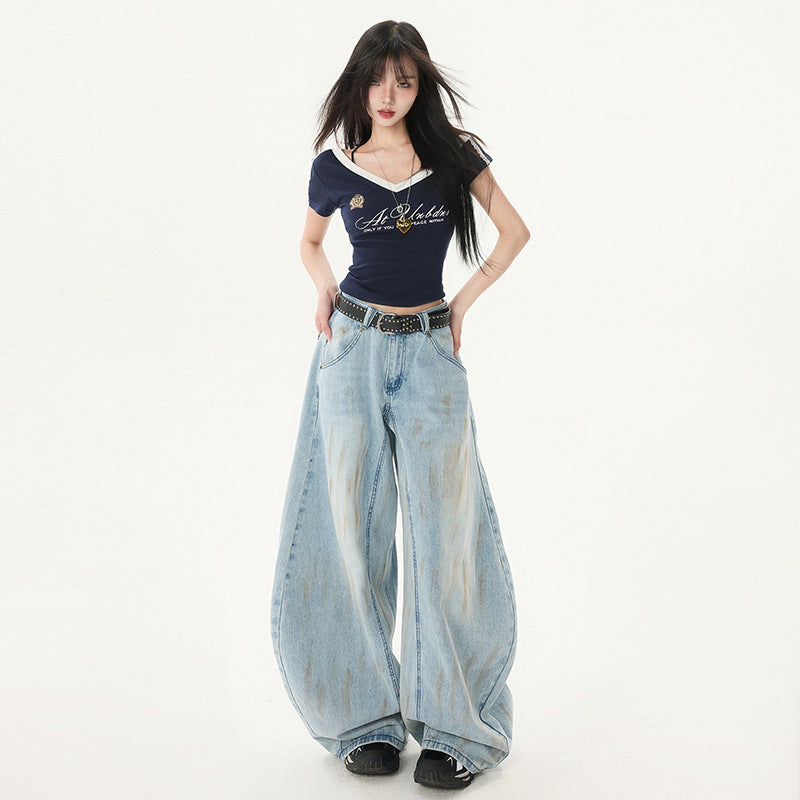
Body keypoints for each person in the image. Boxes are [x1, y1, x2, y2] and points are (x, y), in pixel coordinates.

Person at [270, 19, 530, 790]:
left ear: (421, 87)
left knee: (445, 532)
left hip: (427, 351)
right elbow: (310, 242)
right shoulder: (335, 167)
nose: (389, 95)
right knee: (348, 529)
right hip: (350, 349)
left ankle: (455, 728)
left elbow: (514, 233)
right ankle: (364, 722)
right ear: (359, 84)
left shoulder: (453, 158)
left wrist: (461, 304)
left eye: (405, 81)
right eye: (377, 80)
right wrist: (324, 288)